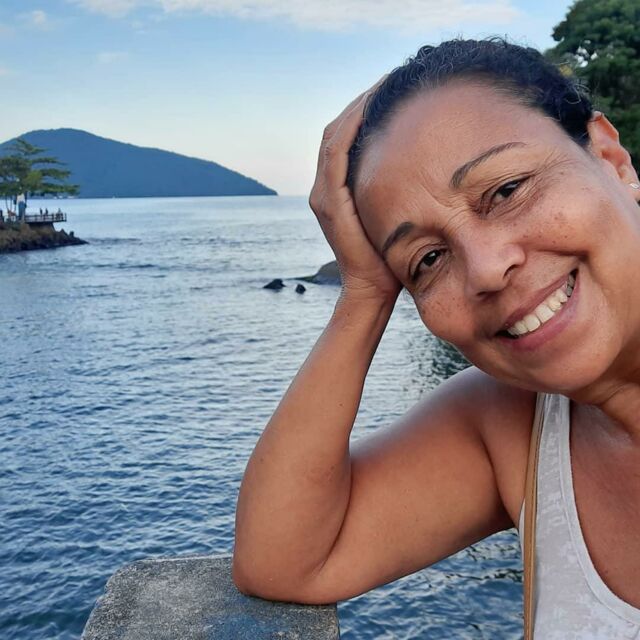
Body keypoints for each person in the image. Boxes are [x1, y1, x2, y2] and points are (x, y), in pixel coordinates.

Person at [233, 38, 640, 637]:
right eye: (426, 260)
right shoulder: (515, 425)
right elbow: (285, 559)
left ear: (610, 158)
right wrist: (364, 295)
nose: (485, 268)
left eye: (506, 190)